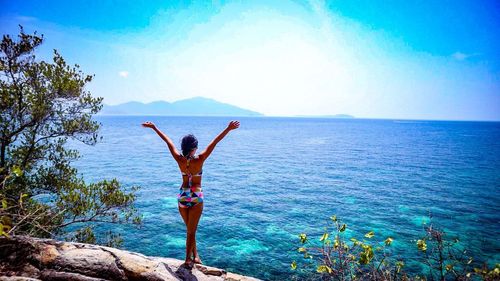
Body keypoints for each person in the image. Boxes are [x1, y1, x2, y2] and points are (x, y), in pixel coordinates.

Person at [142, 120, 240, 267]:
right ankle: (188, 259)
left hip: (182, 195)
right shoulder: (200, 159)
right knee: (191, 231)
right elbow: (215, 142)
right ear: (194, 148)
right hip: (195, 195)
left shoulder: (179, 159)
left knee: (190, 229)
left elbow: (167, 141)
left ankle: (196, 256)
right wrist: (228, 128)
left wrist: (154, 128)